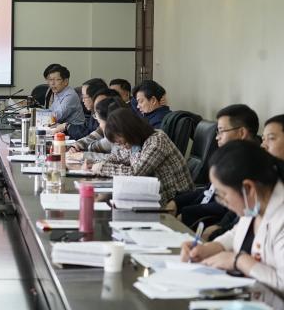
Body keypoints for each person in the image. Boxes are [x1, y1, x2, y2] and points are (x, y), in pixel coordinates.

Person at [181, 141, 284, 291]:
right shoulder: (255, 202)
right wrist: (210, 248)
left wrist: (238, 261)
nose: (223, 202)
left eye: (223, 194)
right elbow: (237, 233)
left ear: (248, 188)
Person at [169, 104, 260, 230]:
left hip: (209, 225)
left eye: (221, 131)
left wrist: (186, 214)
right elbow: (208, 190)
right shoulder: (228, 157)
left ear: (241, 133)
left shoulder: (252, 164)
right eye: (217, 131)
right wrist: (176, 201)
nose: (217, 137)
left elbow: (228, 206)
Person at [85, 108, 194, 205]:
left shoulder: (157, 140)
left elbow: (135, 173)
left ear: (130, 131)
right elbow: (117, 157)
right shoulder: (136, 143)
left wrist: (102, 168)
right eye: (120, 144)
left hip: (177, 202)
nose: (123, 147)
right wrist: (94, 163)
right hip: (155, 197)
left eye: (123, 143)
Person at [69, 89, 123, 153]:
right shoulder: (102, 122)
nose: (99, 108)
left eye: (103, 104)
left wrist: (84, 152)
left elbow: (108, 145)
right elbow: (92, 137)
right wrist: (77, 145)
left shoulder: (121, 125)